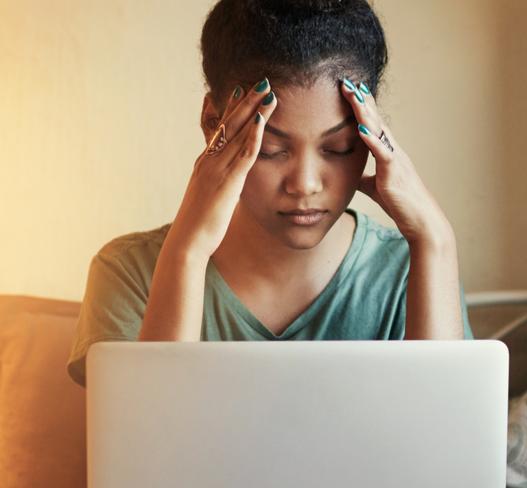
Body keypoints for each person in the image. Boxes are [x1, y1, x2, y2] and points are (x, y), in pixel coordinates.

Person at [67, 0, 473, 388]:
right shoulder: (129, 274)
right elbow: (144, 449)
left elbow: (447, 450)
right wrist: (186, 254)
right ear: (214, 122)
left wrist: (436, 240)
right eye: (271, 149)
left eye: (338, 148)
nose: (305, 184)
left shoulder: (411, 273)